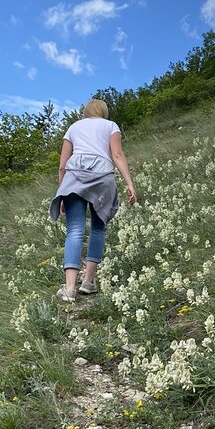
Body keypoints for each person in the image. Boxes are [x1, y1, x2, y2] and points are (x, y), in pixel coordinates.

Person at [49, 99, 137, 302]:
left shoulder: (73, 127)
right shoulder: (110, 126)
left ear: (86, 111)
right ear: (104, 111)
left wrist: (62, 191)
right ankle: (88, 282)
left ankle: (70, 288)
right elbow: (117, 154)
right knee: (98, 228)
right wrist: (129, 183)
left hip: (75, 178)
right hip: (102, 177)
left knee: (75, 230)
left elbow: (62, 166)